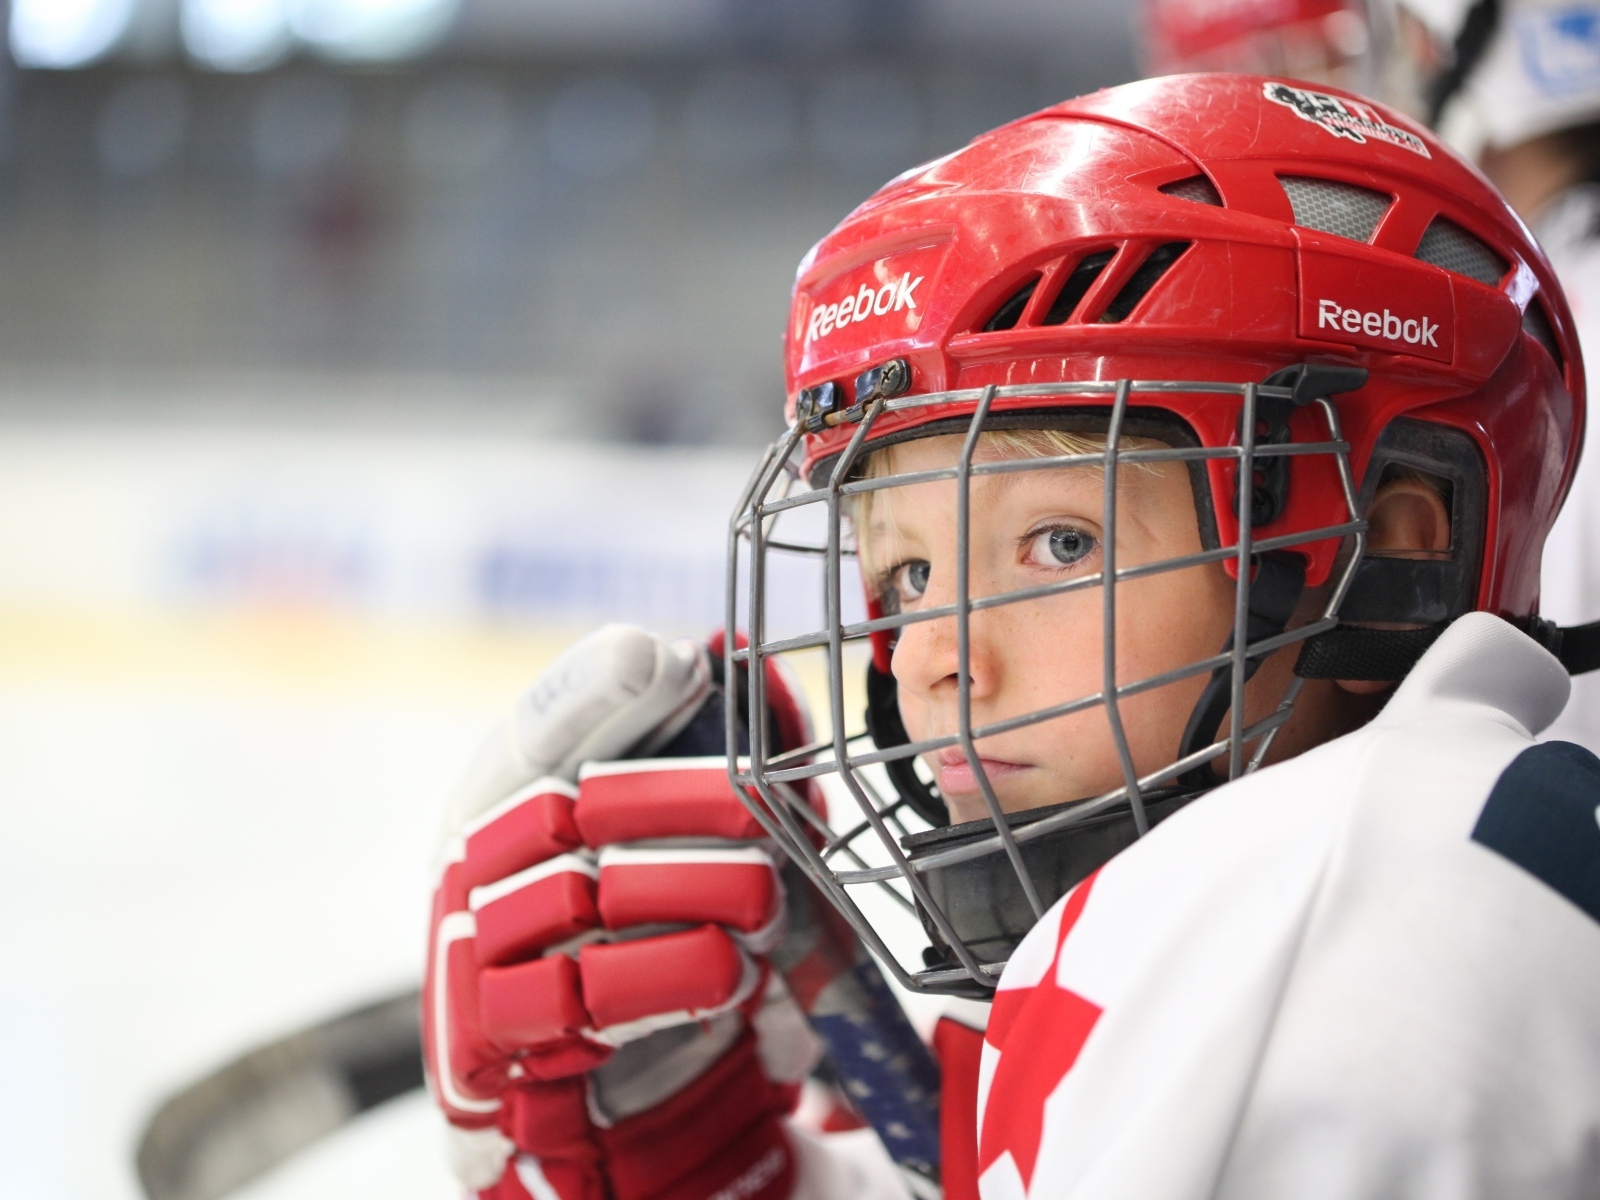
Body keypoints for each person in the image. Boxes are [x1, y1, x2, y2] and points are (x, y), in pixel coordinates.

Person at [423, 73, 1600, 1200]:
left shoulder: (1314, 936)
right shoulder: (1386, 862)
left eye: (1059, 546)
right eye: (912, 574)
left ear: (1391, 551)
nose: (938, 657)